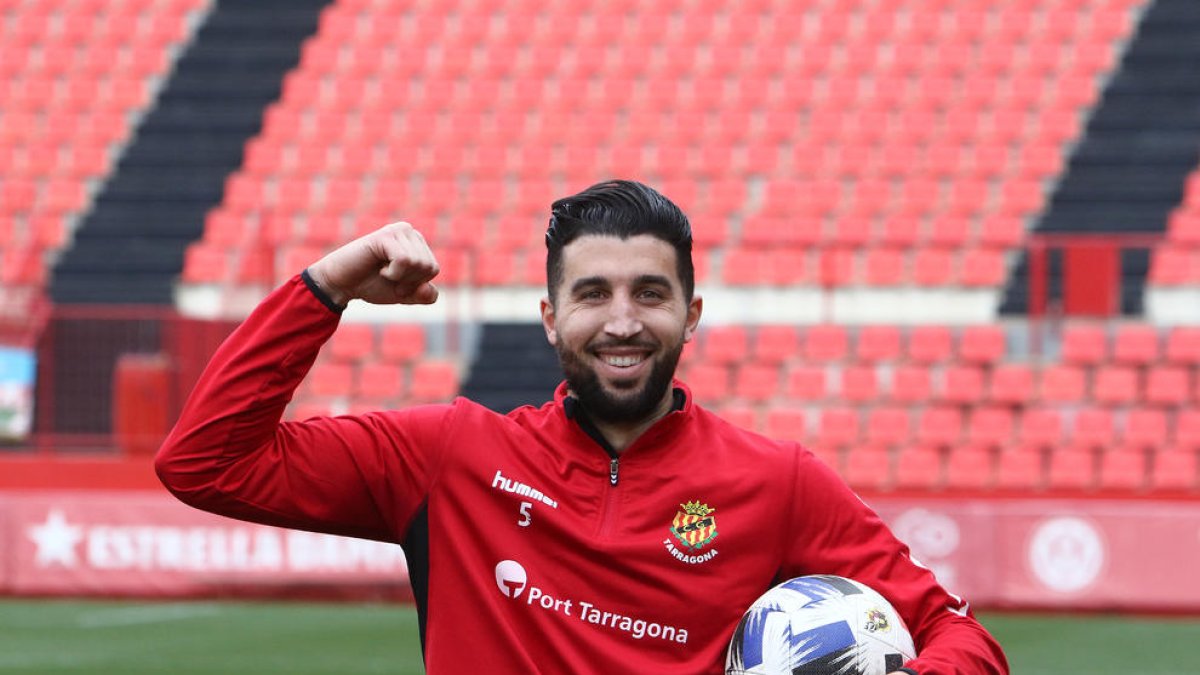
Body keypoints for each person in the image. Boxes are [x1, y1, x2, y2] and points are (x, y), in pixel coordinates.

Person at [156, 180, 1008, 674]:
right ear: (550, 317)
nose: (623, 321)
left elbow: (960, 633)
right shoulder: (449, 458)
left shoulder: (777, 481)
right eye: (593, 294)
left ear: (691, 312)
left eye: (651, 292)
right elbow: (205, 461)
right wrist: (326, 287)